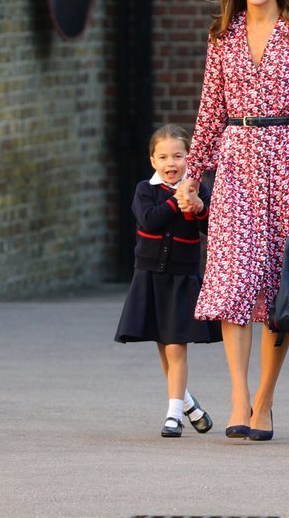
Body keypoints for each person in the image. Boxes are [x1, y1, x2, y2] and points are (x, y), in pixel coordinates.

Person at [175, 0, 289, 442]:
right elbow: (209, 112)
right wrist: (191, 174)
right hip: (237, 163)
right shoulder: (222, 36)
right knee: (232, 283)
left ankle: (265, 398)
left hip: (286, 161)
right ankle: (239, 398)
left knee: (277, 289)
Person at [115, 124, 223, 438]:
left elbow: (212, 227)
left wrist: (200, 207)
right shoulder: (144, 190)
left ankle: (173, 415)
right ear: (152, 161)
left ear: (190, 158)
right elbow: (149, 219)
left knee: (176, 347)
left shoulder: (198, 189)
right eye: (163, 157)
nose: (171, 163)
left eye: (178, 155)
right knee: (164, 347)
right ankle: (189, 404)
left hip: (182, 277)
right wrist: (176, 202)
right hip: (150, 275)